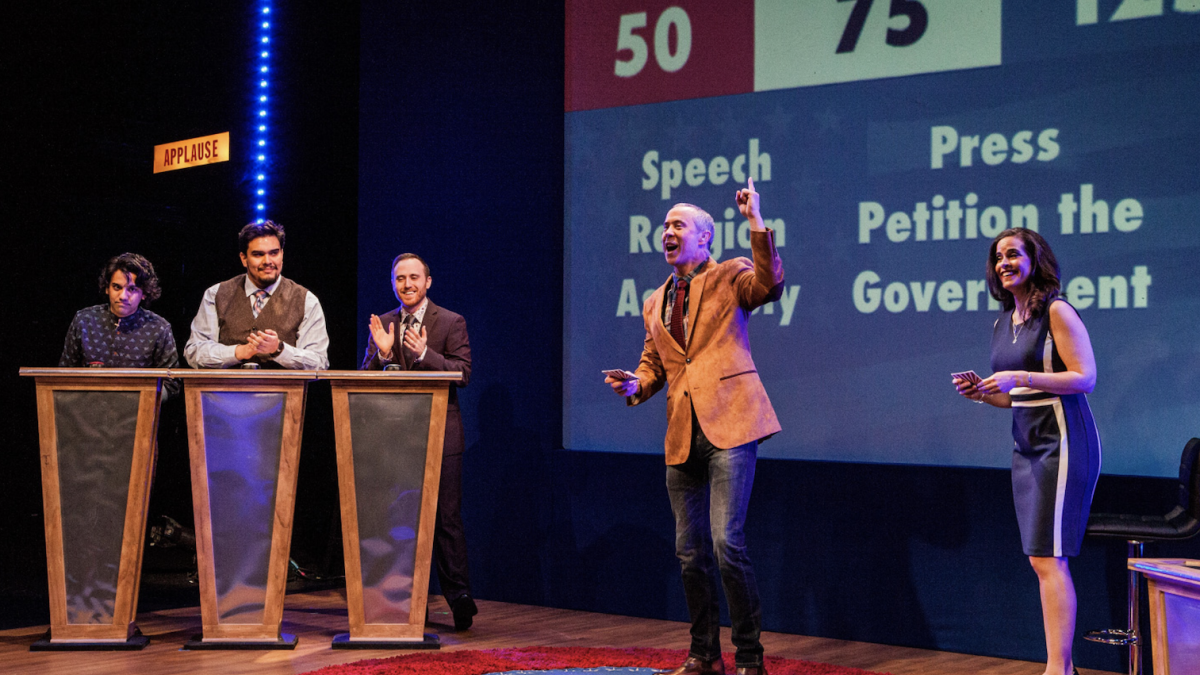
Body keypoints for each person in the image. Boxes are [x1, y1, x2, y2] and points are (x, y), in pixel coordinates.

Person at [605, 179, 783, 675]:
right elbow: (655, 364)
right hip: (683, 436)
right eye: (664, 225)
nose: (667, 231)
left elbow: (769, 285)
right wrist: (634, 386)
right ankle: (704, 654)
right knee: (690, 553)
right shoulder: (654, 300)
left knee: (728, 544)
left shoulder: (730, 275)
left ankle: (749, 656)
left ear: (704, 238)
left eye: (677, 225)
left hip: (731, 424)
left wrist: (755, 221)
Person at [953, 228, 1101, 675]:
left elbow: (1085, 377)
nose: (1004, 263)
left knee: (1048, 557)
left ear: (1036, 260)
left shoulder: (1056, 310)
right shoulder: (1003, 322)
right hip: (1026, 447)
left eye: (1014, 254)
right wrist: (982, 393)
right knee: (1040, 558)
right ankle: (1062, 668)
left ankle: (1059, 670)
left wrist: (1023, 377)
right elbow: (1013, 396)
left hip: (1064, 442)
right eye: (998, 257)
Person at [361, 253, 476, 630]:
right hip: (395, 438)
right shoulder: (386, 324)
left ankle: (459, 598)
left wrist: (426, 355)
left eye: (414, 278)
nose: (407, 284)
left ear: (428, 282)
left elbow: (462, 374)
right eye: (399, 279)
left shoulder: (451, 321)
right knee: (401, 520)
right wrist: (382, 352)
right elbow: (365, 377)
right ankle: (409, 599)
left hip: (441, 433)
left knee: (445, 518)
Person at [184, 220, 329, 370]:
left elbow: (318, 362)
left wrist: (279, 350)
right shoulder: (215, 294)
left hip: (283, 392)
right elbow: (194, 352)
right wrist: (238, 352)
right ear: (243, 258)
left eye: (274, 253)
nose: (268, 261)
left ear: (282, 254)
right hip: (225, 392)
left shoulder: (306, 300)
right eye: (258, 254)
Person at [59, 252, 180, 397]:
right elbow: (64, 374)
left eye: (132, 289)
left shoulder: (158, 328)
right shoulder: (84, 320)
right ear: (107, 287)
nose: (123, 296)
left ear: (144, 293)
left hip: (138, 414)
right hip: (86, 412)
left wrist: (145, 401)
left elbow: (171, 383)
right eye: (117, 287)